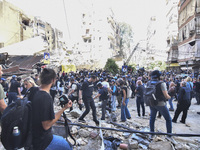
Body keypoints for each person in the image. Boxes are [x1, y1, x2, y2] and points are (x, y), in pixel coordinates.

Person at [32, 68, 73, 150]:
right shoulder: (46, 97)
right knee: (68, 146)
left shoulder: (33, 90)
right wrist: (63, 109)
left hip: (31, 135)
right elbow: (46, 125)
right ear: (53, 80)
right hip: (42, 140)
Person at [147, 70, 172, 137]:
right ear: (159, 76)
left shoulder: (148, 83)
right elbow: (166, 96)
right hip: (161, 104)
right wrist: (170, 97)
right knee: (168, 119)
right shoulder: (161, 84)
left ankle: (151, 134)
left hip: (151, 103)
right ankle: (169, 135)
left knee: (152, 118)